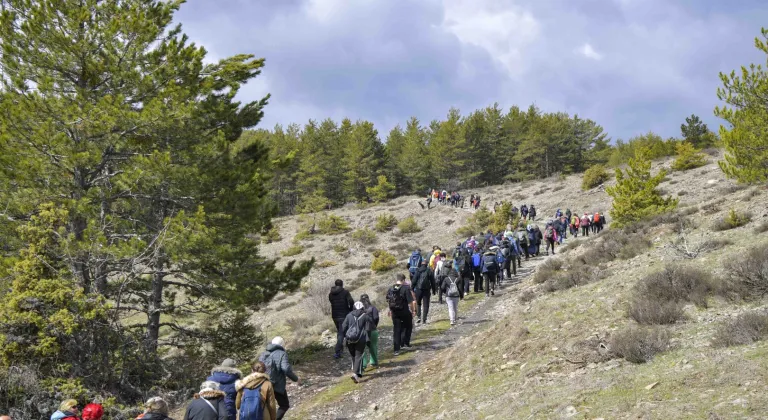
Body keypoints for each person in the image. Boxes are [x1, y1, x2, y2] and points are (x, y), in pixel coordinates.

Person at [259, 337, 299, 420]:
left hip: (264, 384)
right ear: (282, 344)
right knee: (284, 405)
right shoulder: (282, 353)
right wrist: (296, 379)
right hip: (277, 385)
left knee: (265, 406)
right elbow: (286, 369)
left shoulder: (263, 354)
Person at [341, 301, 373, 383]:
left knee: (353, 356)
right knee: (358, 356)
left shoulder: (349, 315)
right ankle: (355, 373)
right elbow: (369, 328)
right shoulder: (365, 316)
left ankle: (358, 371)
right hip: (360, 339)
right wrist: (368, 339)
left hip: (349, 339)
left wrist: (344, 337)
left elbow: (343, 327)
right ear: (362, 308)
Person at [388, 274, 415, 355]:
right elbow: (410, 302)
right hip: (404, 311)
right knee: (408, 326)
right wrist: (413, 311)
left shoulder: (391, 288)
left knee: (396, 330)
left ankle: (396, 349)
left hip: (395, 312)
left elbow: (388, 300)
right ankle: (405, 343)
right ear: (403, 280)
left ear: (397, 279)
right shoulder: (406, 288)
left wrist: (390, 310)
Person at [328, 279, 354, 359]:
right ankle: (338, 351)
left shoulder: (330, 294)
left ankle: (341, 349)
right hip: (344, 315)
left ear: (335, 285)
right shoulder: (345, 292)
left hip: (335, 315)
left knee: (340, 331)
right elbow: (351, 301)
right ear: (342, 284)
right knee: (341, 333)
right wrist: (350, 310)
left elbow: (331, 302)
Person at [412, 259, 436, 324]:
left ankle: (419, 317)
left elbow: (414, 280)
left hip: (418, 289)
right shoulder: (429, 271)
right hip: (426, 290)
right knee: (426, 305)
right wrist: (434, 290)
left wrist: (412, 289)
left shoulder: (418, 270)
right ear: (427, 264)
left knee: (418, 303)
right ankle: (424, 319)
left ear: (421, 264)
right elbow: (432, 281)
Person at [360, 294, 380, 370]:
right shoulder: (373, 308)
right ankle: (373, 362)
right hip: (372, 329)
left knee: (362, 348)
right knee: (373, 346)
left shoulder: (359, 310)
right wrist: (375, 325)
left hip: (362, 331)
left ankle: (363, 364)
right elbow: (376, 318)